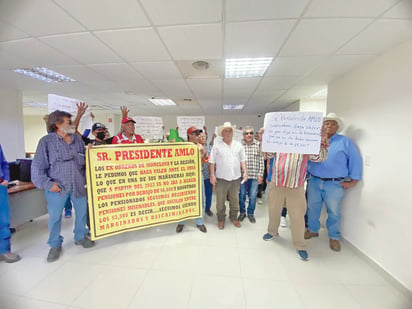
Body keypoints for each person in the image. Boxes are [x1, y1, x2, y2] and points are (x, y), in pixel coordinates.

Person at [32, 110, 95, 263]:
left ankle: (80, 236)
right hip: (57, 187)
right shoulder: (46, 142)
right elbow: (37, 168)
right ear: (57, 124)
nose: (72, 124)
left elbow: (83, 161)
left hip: (78, 185)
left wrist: (91, 154)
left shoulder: (77, 140)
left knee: (81, 212)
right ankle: (54, 244)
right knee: (54, 218)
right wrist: (48, 184)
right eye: (68, 122)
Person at [263, 128, 329, 261]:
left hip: (296, 186)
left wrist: (321, 142)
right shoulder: (279, 143)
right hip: (277, 183)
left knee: (298, 216)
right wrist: (267, 139)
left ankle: (300, 245)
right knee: (273, 210)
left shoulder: (305, 144)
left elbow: (319, 157)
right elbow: (267, 155)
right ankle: (272, 231)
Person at [306, 113, 362, 252]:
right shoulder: (315, 141)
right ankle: (313, 229)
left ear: (337, 127)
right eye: (326, 123)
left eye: (332, 123)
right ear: (322, 126)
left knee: (334, 211)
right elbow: (307, 158)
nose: (329, 126)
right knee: (312, 207)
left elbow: (355, 161)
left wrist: (353, 181)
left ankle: (334, 237)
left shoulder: (345, 142)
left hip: (335, 184)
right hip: (314, 180)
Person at [209, 122, 247, 230]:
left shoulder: (238, 145)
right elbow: (212, 162)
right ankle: (221, 219)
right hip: (221, 179)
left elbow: (242, 160)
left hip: (236, 179)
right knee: (220, 202)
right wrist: (212, 175)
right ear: (222, 133)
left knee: (235, 201)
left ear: (232, 133)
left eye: (230, 130)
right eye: (225, 130)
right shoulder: (216, 146)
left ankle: (233, 217)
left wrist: (245, 172)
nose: (228, 132)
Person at [176, 126, 208, 233]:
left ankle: (200, 222)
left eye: (199, 134)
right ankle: (181, 222)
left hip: (198, 175)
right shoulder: (182, 146)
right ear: (190, 135)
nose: (198, 136)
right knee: (183, 199)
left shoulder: (200, 146)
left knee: (200, 199)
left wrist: (204, 153)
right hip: (185, 177)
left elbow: (205, 160)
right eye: (196, 134)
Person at [238, 126, 264, 223]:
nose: (249, 135)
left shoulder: (258, 145)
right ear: (243, 135)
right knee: (242, 195)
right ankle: (242, 213)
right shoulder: (239, 146)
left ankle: (250, 214)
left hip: (254, 176)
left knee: (253, 196)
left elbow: (261, 160)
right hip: (242, 176)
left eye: (251, 133)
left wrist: (260, 174)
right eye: (246, 133)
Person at [0, 145, 21, 263]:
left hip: (0, 185)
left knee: (3, 219)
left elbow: (3, 162)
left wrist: (6, 179)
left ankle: (4, 250)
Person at [199, 130, 213, 216]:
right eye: (201, 137)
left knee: (208, 194)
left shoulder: (210, 148)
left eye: (204, 137)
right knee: (200, 195)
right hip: (199, 176)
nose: (203, 138)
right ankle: (200, 210)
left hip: (208, 175)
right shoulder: (196, 147)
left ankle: (208, 209)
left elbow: (213, 162)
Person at [255, 131, 267, 204]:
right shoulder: (254, 144)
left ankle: (259, 195)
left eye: (259, 135)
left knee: (261, 179)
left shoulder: (265, 144)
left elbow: (266, 156)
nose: (258, 136)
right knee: (254, 179)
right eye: (257, 135)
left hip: (263, 162)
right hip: (255, 162)